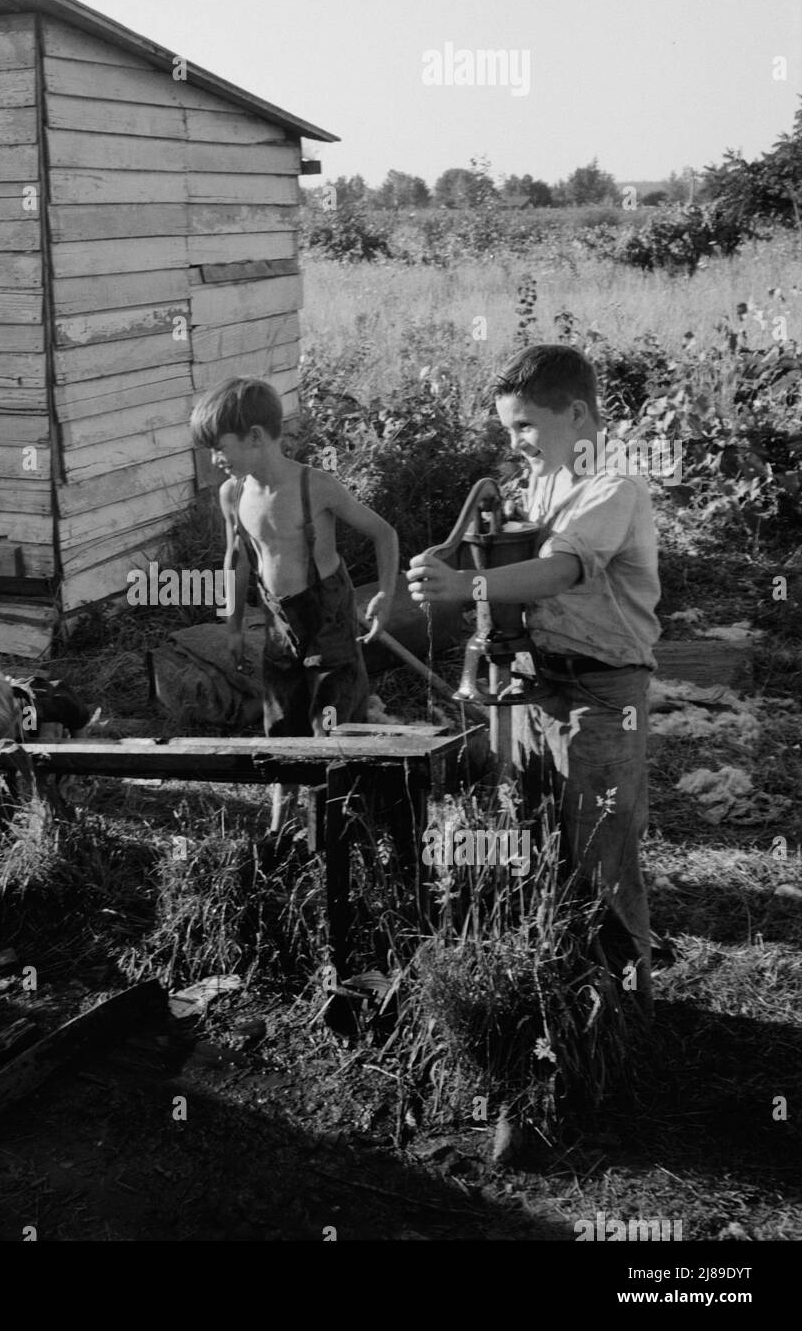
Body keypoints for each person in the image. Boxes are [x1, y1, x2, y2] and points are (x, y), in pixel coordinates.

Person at [406, 343, 660, 1013]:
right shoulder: (543, 482)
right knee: (539, 831)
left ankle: (627, 1014)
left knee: (602, 855)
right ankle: (567, 992)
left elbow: (560, 570)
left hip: (603, 692)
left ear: (576, 414)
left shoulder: (612, 489)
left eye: (523, 427)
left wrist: (465, 581)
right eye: (507, 430)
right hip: (537, 680)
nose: (515, 443)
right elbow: (514, 557)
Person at [190, 377, 400, 832]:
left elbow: (384, 533)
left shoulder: (315, 487)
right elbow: (237, 558)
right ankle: (281, 825)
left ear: (256, 437)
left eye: (219, 447)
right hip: (278, 626)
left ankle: (337, 826)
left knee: (332, 726)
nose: (214, 459)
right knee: (281, 724)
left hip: (327, 621)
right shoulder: (234, 494)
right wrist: (230, 626)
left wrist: (384, 593)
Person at [0, 668, 89, 845]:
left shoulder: (39, 709)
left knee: (52, 778)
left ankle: (60, 830)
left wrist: (75, 765)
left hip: (40, 738)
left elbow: (78, 719)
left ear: (16, 715)